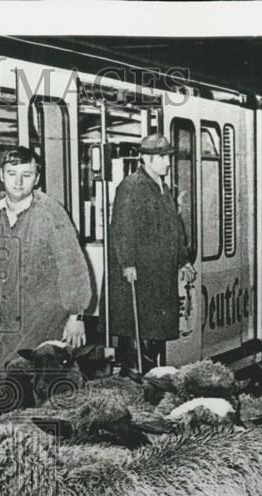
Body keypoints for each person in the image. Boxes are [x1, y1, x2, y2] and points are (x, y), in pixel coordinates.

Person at [0, 147, 93, 374]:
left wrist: (77, 316)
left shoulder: (51, 213)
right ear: (1, 175)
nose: (18, 182)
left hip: (42, 317)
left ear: (37, 179)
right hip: (1, 314)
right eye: (12, 173)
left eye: (26, 175)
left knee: (35, 383)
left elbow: (72, 266)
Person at [99, 133, 193, 373]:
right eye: (162, 157)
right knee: (139, 334)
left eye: (167, 156)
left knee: (153, 335)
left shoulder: (162, 188)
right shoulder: (132, 187)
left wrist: (183, 260)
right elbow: (122, 228)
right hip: (140, 277)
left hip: (157, 276)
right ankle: (137, 382)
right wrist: (127, 263)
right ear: (146, 159)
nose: (167, 162)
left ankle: (151, 379)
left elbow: (175, 227)